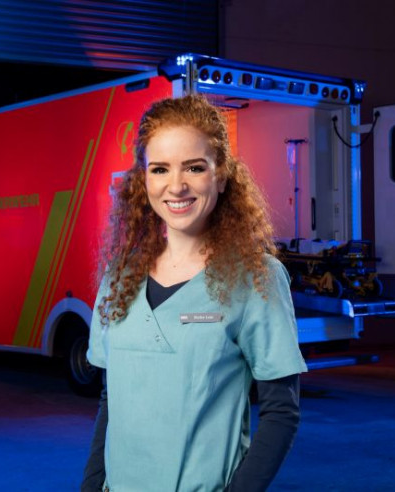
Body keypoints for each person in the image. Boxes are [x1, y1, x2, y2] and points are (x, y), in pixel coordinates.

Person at [80, 94, 307, 492]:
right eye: (160, 169)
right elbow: (110, 399)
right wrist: (92, 485)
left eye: (194, 167)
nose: (176, 185)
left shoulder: (255, 278)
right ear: (144, 180)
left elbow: (281, 411)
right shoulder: (119, 277)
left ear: (221, 175)